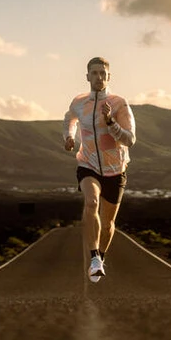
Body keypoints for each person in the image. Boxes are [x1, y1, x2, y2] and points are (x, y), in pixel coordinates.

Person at [63, 56, 136, 283]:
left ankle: (99, 259)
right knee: (91, 202)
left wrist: (110, 122)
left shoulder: (118, 103)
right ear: (87, 77)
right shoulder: (79, 102)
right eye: (94, 73)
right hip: (89, 164)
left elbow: (130, 139)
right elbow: (69, 118)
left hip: (115, 169)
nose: (99, 77)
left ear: (109, 77)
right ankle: (94, 256)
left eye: (103, 73)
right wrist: (68, 137)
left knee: (108, 224)